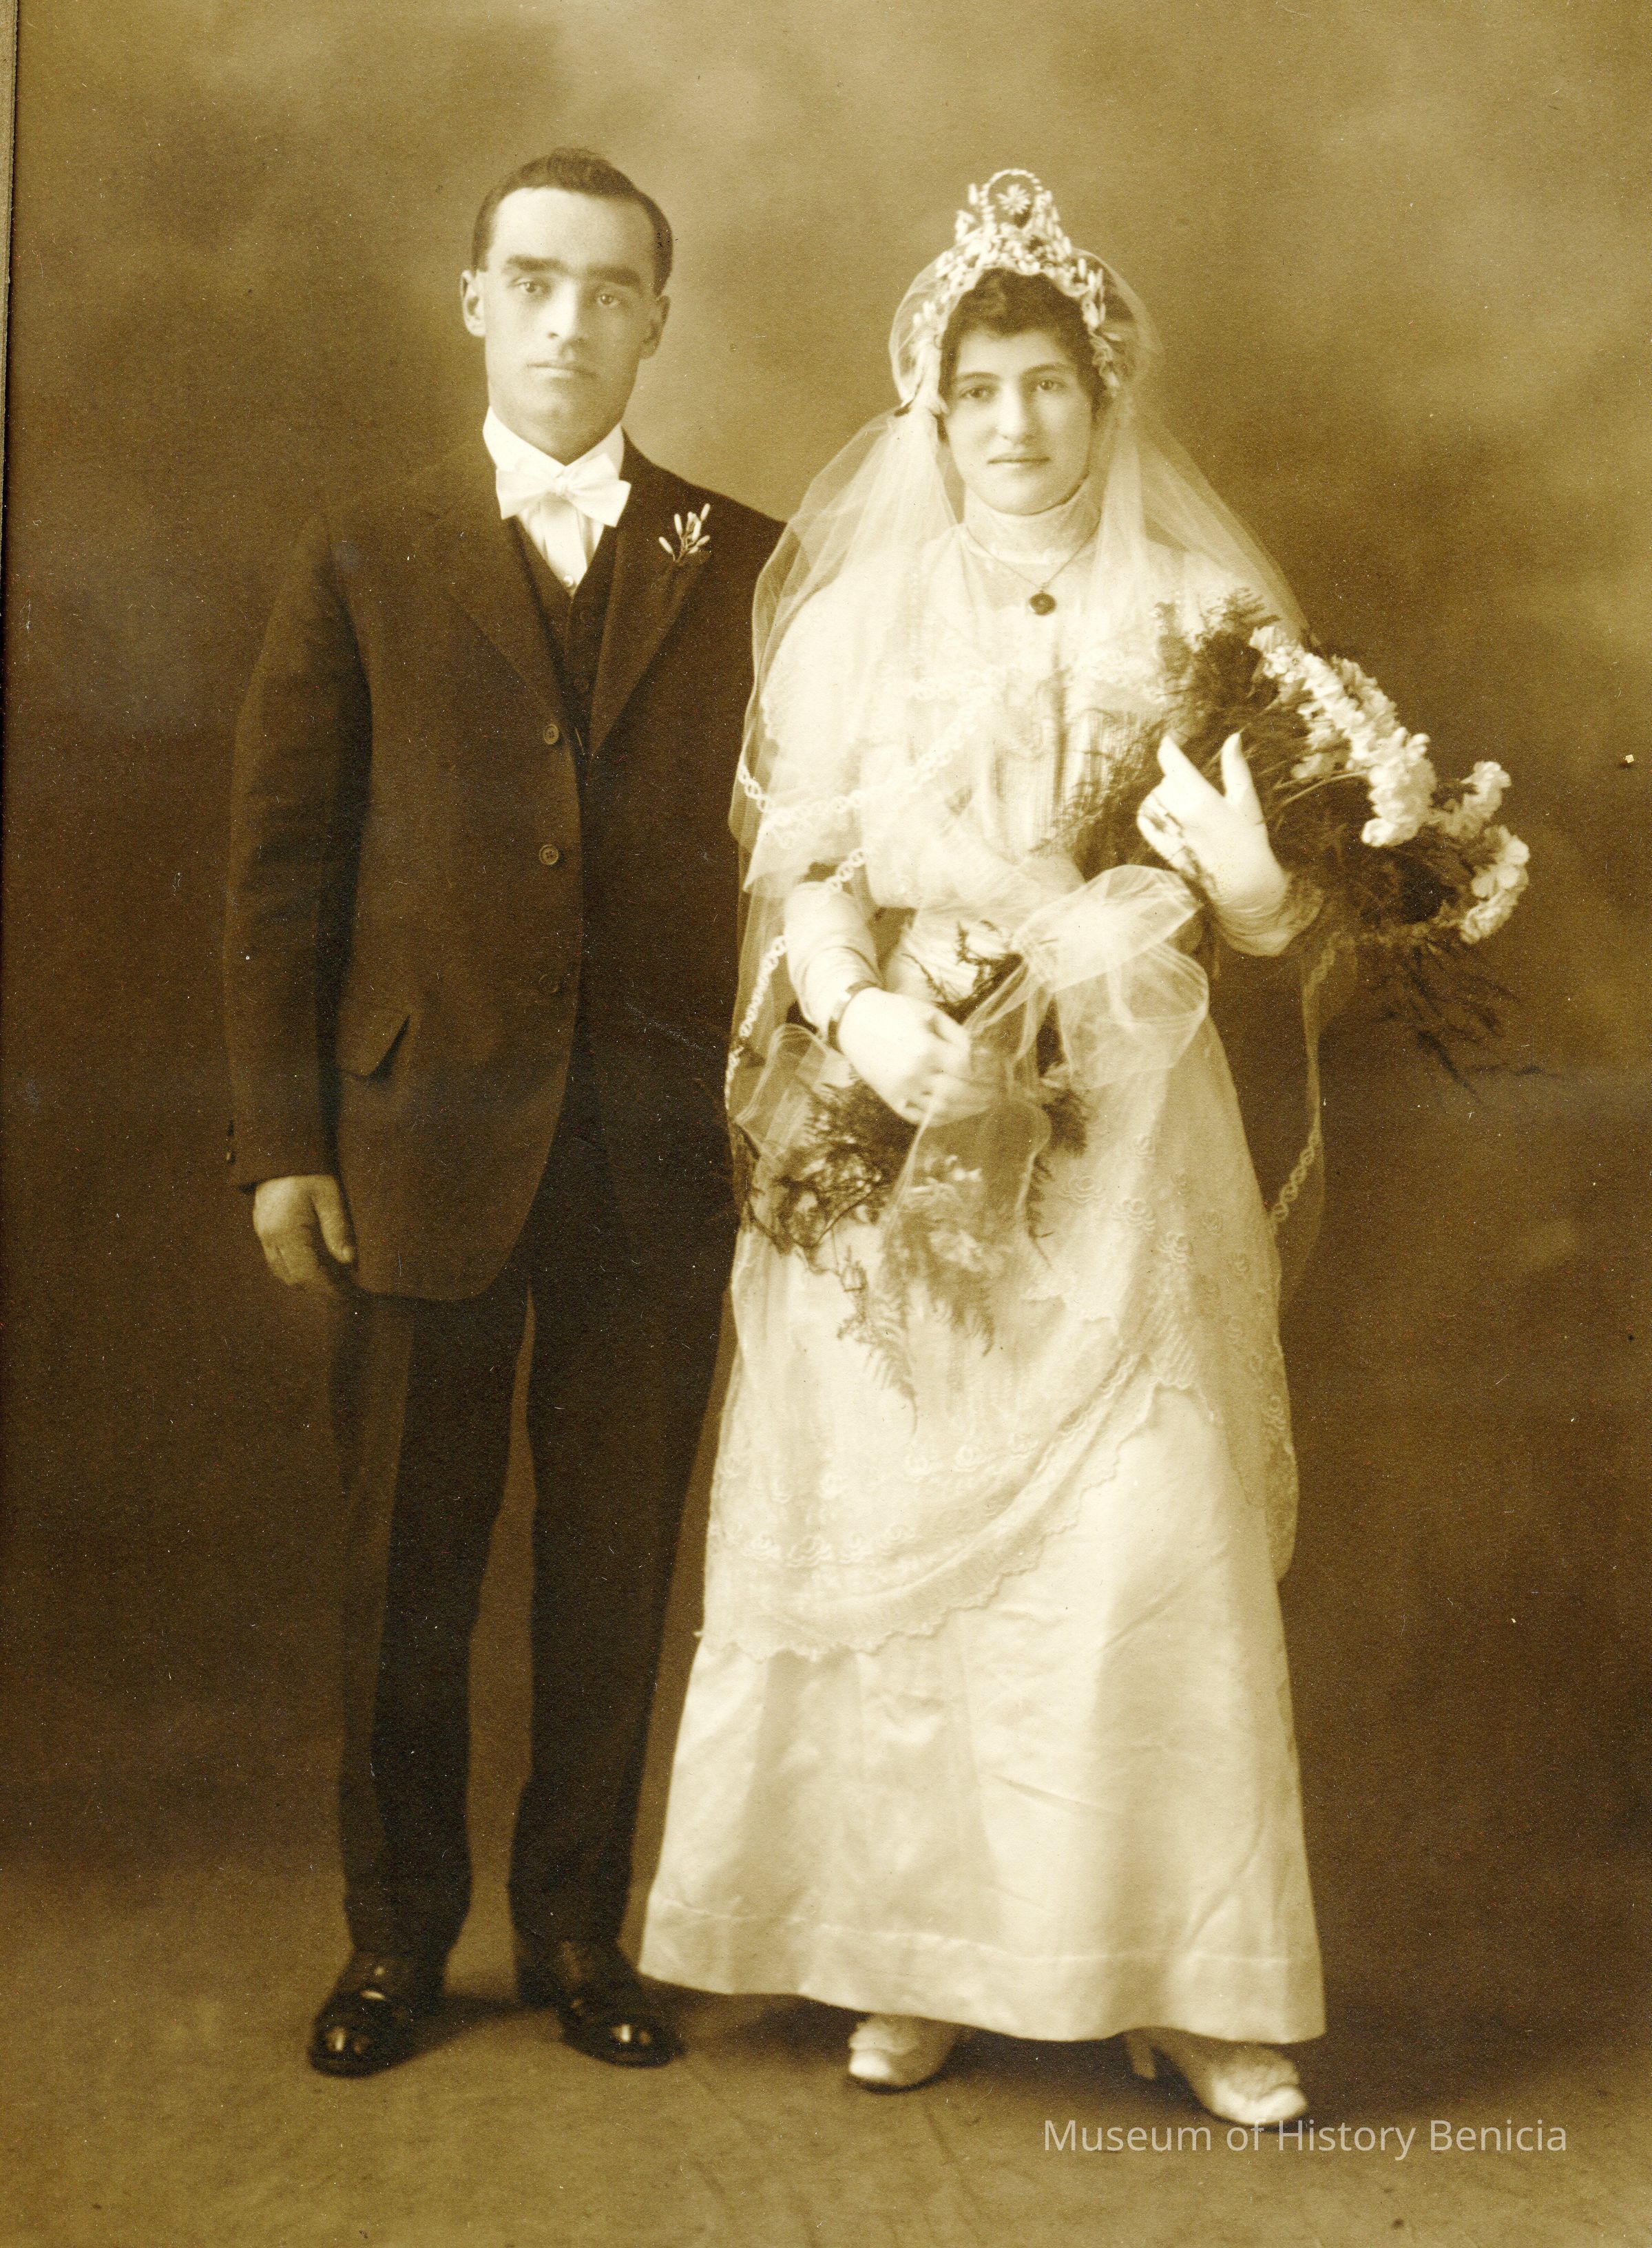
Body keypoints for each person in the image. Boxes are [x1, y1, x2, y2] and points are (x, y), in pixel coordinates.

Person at [640, 173, 1326, 2123]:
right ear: (928, 413)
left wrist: (1255, 887)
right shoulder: (854, 623)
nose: (1014, 423)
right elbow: (809, 872)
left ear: (1104, 397)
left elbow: (1278, 917)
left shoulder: (1201, 617)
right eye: (978, 391)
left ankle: (1192, 1979)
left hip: (1123, 1130)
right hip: (917, 1105)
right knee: (897, 1508)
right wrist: (857, 1012)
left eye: (1047, 385)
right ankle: (910, 1958)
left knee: (1144, 1534)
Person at [224, 149, 779, 2077]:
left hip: (651, 1152)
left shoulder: (746, 559)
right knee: (406, 1572)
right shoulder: (363, 550)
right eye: (533, 281)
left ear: (658, 320)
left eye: (611, 289)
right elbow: (282, 865)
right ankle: (396, 1946)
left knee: (616, 1564)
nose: (569, 321)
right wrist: (286, 1142)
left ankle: (575, 1932)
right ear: (473, 301)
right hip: (413, 1146)